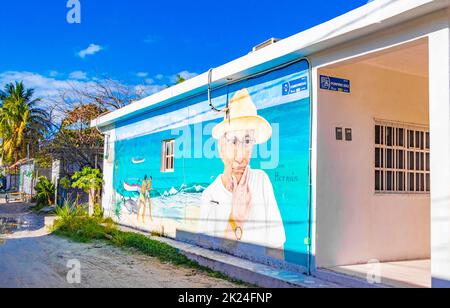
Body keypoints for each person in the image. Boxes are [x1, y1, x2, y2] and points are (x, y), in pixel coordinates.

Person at [199, 88, 286, 258]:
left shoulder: (261, 181)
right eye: (233, 141)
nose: (240, 156)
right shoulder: (209, 195)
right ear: (221, 148)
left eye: (247, 141)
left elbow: (277, 249)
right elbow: (208, 259)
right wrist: (236, 218)